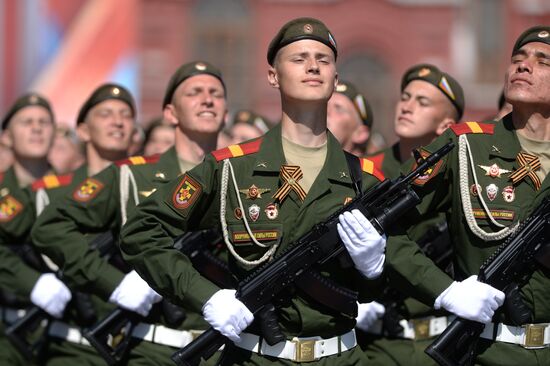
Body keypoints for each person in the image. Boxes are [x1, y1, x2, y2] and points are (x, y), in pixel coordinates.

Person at [120, 17, 387, 365]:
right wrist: (207, 298)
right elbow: (141, 231)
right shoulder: (232, 167)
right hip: (255, 357)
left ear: (335, 79)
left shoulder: (364, 178)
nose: (312, 66)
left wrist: (375, 269)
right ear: (273, 76)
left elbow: (392, 286)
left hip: (340, 356)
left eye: (323, 59)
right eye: (298, 58)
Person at [31, 61, 227, 365]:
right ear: (170, 113)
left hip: (224, 349)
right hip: (151, 349)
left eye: (216, 93)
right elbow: (50, 227)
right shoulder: (131, 176)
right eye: (194, 92)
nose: (207, 99)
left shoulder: (238, 176)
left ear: (225, 111)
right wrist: (114, 283)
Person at [385, 25, 550, 365]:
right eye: (517, 59)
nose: (523, 65)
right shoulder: (465, 146)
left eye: (542, 60)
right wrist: (445, 290)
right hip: (487, 352)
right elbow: (378, 222)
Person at [1, 84, 137, 365]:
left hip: (136, 343)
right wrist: (33, 283)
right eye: (27, 122)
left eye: (125, 115)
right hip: (68, 340)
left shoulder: (147, 184)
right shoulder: (50, 191)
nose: (117, 122)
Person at [359, 64, 464, 365]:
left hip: (442, 339)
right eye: (405, 97)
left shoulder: (460, 175)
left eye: (422, 102)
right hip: (379, 342)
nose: (407, 106)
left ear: (446, 125)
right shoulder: (367, 171)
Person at [327, 80, 373, 157]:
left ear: (360, 133)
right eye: (323, 106)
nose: (325, 111)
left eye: (338, 108)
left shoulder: (370, 168)